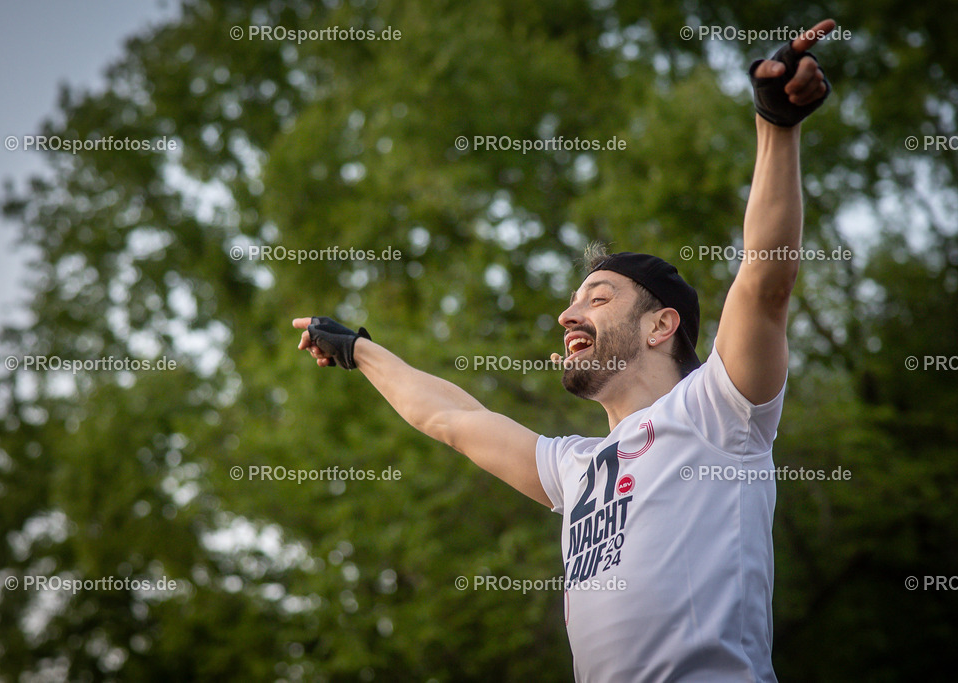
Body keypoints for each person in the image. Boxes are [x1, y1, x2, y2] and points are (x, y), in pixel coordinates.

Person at [292, 19, 835, 682]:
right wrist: (359, 352)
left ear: (661, 325)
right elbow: (452, 421)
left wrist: (774, 125)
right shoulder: (575, 468)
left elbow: (766, 276)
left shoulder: (719, 409)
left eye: (598, 297)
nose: (567, 313)